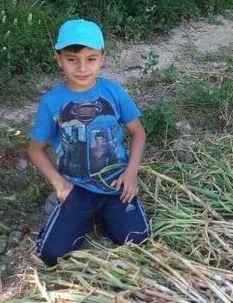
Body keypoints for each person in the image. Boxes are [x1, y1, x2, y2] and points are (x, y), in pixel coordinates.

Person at [28, 19, 151, 266]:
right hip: (77, 189)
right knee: (50, 255)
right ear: (59, 59)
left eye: (91, 59)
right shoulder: (52, 102)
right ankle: (75, 212)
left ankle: (104, 215)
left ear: (102, 58)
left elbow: (138, 133)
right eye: (72, 59)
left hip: (115, 184)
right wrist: (60, 184)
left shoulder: (113, 92)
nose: (82, 67)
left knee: (139, 239)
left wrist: (131, 173)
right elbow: (35, 149)